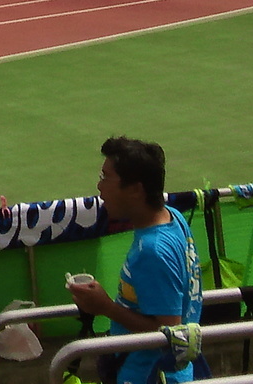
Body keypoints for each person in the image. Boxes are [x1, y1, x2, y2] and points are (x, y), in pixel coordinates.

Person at [66, 138, 202, 384]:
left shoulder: (154, 250)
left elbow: (171, 334)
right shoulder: (174, 218)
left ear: (136, 189)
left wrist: (105, 307)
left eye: (106, 177)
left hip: (152, 376)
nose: (99, 186)